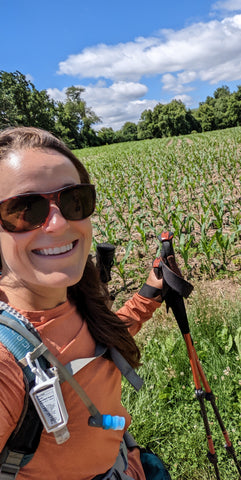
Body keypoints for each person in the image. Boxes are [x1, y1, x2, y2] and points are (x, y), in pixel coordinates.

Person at [0, 126, 163, 480]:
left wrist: (150, 293)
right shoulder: (5, 361)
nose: (58, 224)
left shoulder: (75, 293)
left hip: (128, 464)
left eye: (75, 201)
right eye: (25, 209)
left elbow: (99, 336)